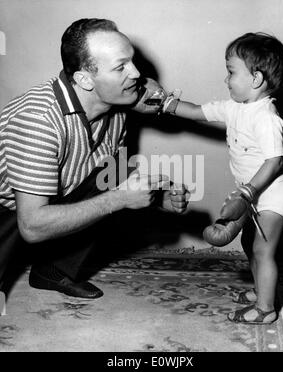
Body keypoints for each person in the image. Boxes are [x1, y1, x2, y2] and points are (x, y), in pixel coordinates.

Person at [0, 18, 189, 300]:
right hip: (10, 212)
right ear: (84, 79)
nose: (136, 73)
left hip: (36, 204)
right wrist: (119, 199)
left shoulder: (116, 108)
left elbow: (108, 177)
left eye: (132, 61)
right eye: (120, 66)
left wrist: (155, 199)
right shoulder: (40, 120)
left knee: (116, 172)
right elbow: (32, 226)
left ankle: (52, 271)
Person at [163, 32, 283, 324]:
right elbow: (198, 112)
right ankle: (263, 291)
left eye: (231, 71)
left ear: (256, 79)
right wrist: (167, 103)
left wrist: (247, 193)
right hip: (252, 194)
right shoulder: (234, 107)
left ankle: (265, 309)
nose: (226, 79)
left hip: (273, 194)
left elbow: (275, 161)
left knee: (263, 249)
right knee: (250, 244)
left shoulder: (266, 117)